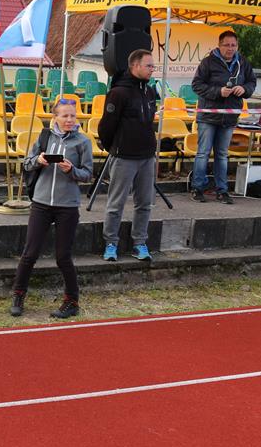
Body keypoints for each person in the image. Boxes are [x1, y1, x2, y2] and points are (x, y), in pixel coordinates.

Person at [10, 99, 94, 319]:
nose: (69, 120)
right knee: (30, 253)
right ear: (55, 117)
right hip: (41, 203)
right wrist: (38, 160)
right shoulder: (44, 137)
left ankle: (72, 301)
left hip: (68, 206)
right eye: (65, 115)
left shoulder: (83, 142)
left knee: (63, 257)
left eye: (73, 115)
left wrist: (71, 170)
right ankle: (18, 295)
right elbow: (26, 164)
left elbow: (88, 174)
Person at [98, 48, 159, 262]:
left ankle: (139, 243)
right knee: (116, 204)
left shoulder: (149, 92)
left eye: (153, 66)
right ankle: (111, 243)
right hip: (124, 157)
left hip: (147, 157)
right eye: (148, 66)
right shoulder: (118, 93)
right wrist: (115, 148)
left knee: (144, 204)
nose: (152, 69)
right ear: (134, 66)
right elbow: (106, 126)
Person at [190, 30, 257, 204]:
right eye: (226, 45)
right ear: (219, 46)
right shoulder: (207, 62)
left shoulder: (243, 63)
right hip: (208, 116)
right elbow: (196, 85)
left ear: (237, 46)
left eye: (233, 45)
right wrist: (218, 91)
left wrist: (245, 89)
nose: (230, 48)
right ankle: (197, 188)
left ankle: (222, 190)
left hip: (230, 117)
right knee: (203, 153)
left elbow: (252, 82)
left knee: (222, 155)